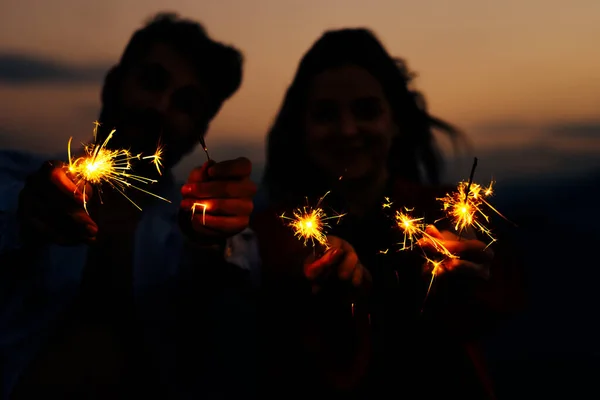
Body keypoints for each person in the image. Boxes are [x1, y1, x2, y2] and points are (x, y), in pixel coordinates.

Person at [251, 28, 525, 399]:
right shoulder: (266, 237)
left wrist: (473, 283)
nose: (348, 130)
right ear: (301, 128)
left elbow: (500, 304)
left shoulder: (448, 216)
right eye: (325, 113)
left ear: (395, 121)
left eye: (366, 110)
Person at [0, 12, 259, 399]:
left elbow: (233, 307)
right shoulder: (10, 178)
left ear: (199, 130)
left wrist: (209, 244)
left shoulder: (204, 230)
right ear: (112, 83)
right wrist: (23, 218)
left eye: (186, 104)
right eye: (152, 81)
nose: (160, 107)